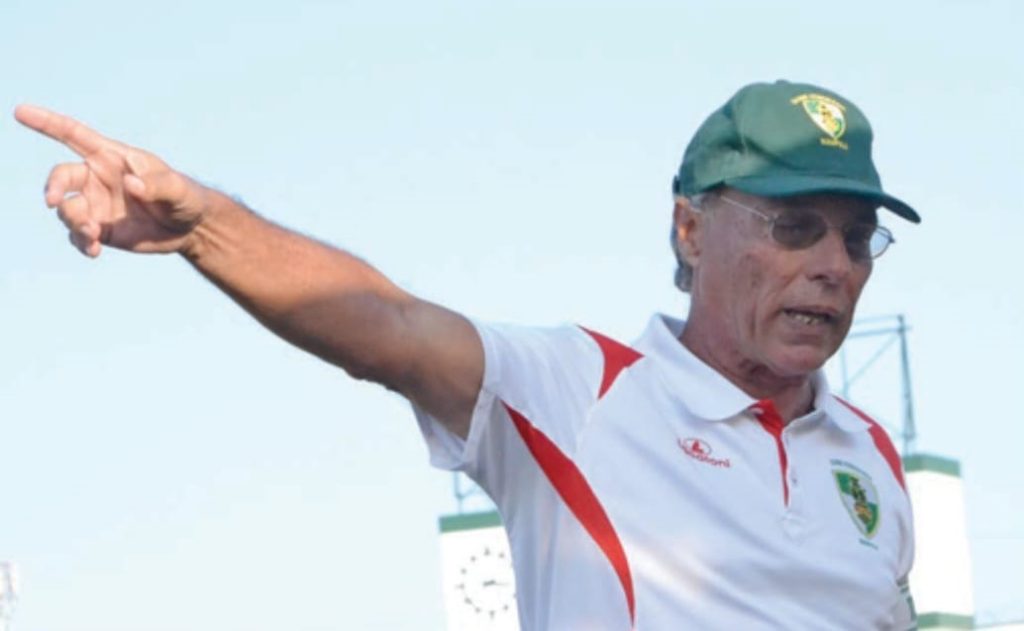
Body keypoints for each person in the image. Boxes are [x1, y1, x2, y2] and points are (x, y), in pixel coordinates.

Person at [16, 79, 919, 630]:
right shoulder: (578, 393)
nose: (833, 266)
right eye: (795, 227)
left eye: (856, 238)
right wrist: (204, 228)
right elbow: (389, 324)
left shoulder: (872, 459)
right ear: (690, 228)